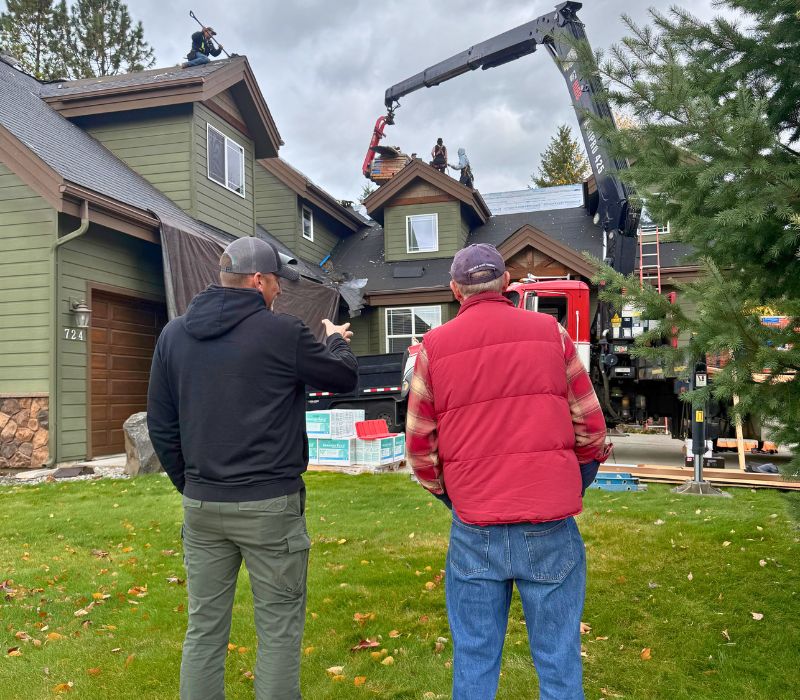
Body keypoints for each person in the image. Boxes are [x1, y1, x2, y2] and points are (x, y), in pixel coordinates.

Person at [147, 236, 358, 699]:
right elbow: (342, 377)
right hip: (270, 507)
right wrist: (336, 342)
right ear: (258, 280)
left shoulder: (174, 335)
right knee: (279, 628)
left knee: (203, 629)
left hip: (203, 506)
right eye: (277, 282)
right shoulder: (281, 333)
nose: (280, 291)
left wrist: (193, 483)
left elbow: (161, 425)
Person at [406, 243, 610, 700]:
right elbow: (591, 426)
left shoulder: (432, 348)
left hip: (475, 525)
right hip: (549, 523)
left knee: (475, 660)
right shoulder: (551, 333)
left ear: (456, 290)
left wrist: (451, 497)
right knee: (558, 656)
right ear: (507, 282)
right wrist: (572, 483)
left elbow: (421, 448)